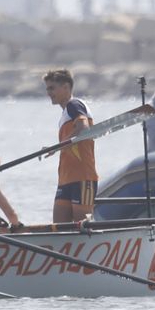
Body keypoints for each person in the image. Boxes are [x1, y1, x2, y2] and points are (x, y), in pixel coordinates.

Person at [43, 69, 96, 223]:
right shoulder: (65, 114)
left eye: (52, 88)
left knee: (82, 228)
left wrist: (56, 147)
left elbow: (83, 127)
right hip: (66, 178)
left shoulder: (74, 104)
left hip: (83, 177)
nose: (48, 93)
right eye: (47, 89)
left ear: (66, 87)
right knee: (60, 228)